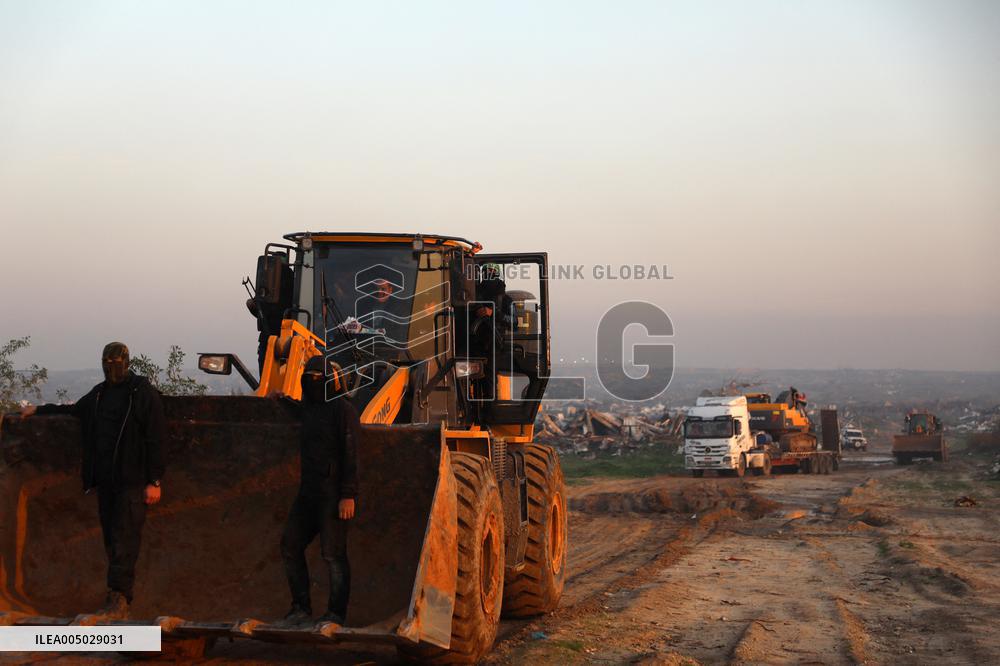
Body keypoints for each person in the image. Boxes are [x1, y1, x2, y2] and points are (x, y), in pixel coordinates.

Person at [20, 342, 165, 619]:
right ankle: (117, 598)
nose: (112, 369)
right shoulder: (99, 395)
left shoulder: (142, 394)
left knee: (125, 539)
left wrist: (154, 480)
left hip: (132, 483)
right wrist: (38, 411)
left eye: (116, 364)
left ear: (126, 363)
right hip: (106, 482)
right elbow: (73, 410)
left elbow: (157, 438)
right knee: (112, 538)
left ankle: (119, 600)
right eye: (108, 364)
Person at [279, 355, 360, 626]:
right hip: (308, 492)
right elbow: (298, 413)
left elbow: (351, 453)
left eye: (317, 379)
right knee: (290, 545)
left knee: (333, 555)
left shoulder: (342, 410)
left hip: (333, 494)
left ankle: (336, 614)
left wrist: (348, 494)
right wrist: (279, 400)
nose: (312, 383)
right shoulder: (310, 408)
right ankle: (300, 608)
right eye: (309, 378)